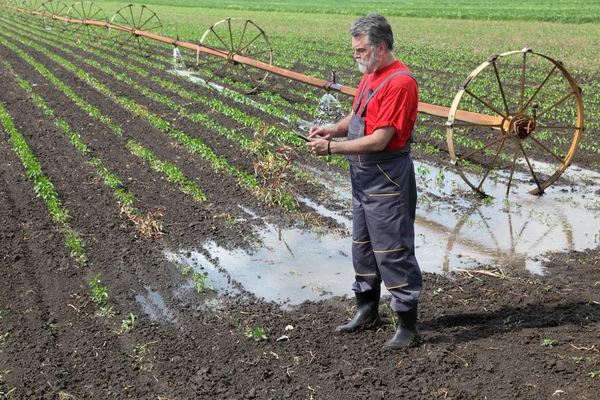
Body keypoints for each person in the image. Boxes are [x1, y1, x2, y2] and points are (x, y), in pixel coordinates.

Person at [306, 13, 422, 349]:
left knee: (392, 249)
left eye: (360, 50)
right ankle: (367, 310)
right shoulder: (373, 75)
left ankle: (407, 326)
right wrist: (333, 129)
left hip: (387, 177)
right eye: (355, 50)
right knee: (364, 246)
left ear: (381, 47)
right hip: (363, 177)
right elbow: (359, 115)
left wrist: (331, 148)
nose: (356, 56)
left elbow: (380, 139)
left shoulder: (399, 82)